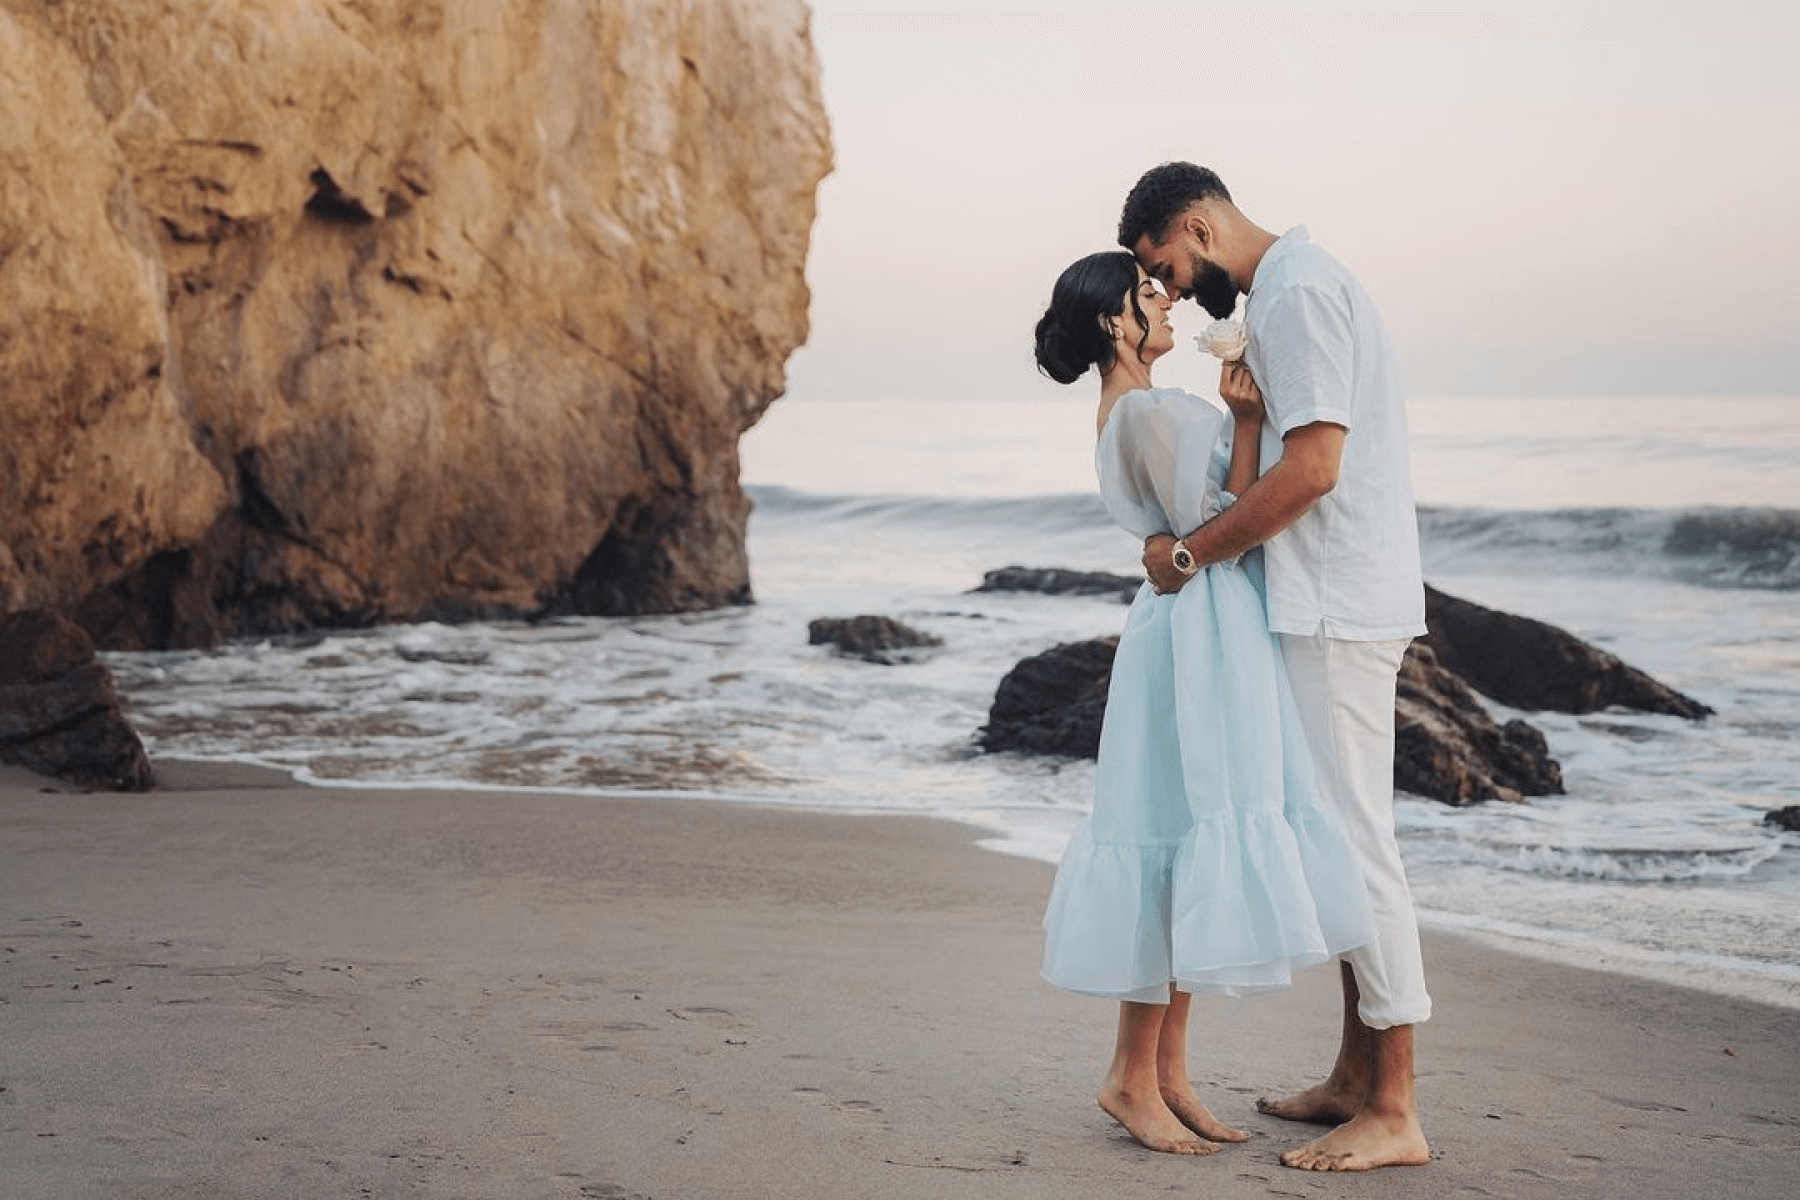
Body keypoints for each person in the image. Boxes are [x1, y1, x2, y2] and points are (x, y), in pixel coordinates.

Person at [1118, 161, 1433, 1173]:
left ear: (1199, 226)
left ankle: (1393, 1106)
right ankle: (1353, 1073)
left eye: (1164, 263)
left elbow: (1316, 468)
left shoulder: (1292, 295)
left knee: (1356, 842)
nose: (1169, 289)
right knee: (1341, 841)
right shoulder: (1296, 284)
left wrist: (1187, 556)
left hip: (1337, 604)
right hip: (1330, 596)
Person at [1032, 250, 1378, 1157]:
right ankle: (1128, 1076)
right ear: (1115, 319)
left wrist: (1241, 417)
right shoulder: (1145, 409)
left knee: (1185, 834)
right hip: (1200, 622)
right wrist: (1248, 426)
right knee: (1171, 833)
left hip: (1192, 619)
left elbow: (1208, 514)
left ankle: (1168, 1074)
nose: (1167, 303)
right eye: (1149, 295)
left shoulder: (1134, 409)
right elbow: (1224, 517)